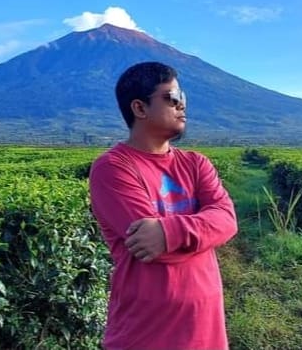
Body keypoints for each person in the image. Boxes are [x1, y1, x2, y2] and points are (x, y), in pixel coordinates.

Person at [89, 61, 238, 350]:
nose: (182, 105)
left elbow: (227, 220)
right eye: (172, 98)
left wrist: (168, 234)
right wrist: (203, 232)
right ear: (140, 108)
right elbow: (149, 247)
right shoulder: (113, 168)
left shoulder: (196, 163)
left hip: (206, 333)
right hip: (145, 335)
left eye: (183, 97)